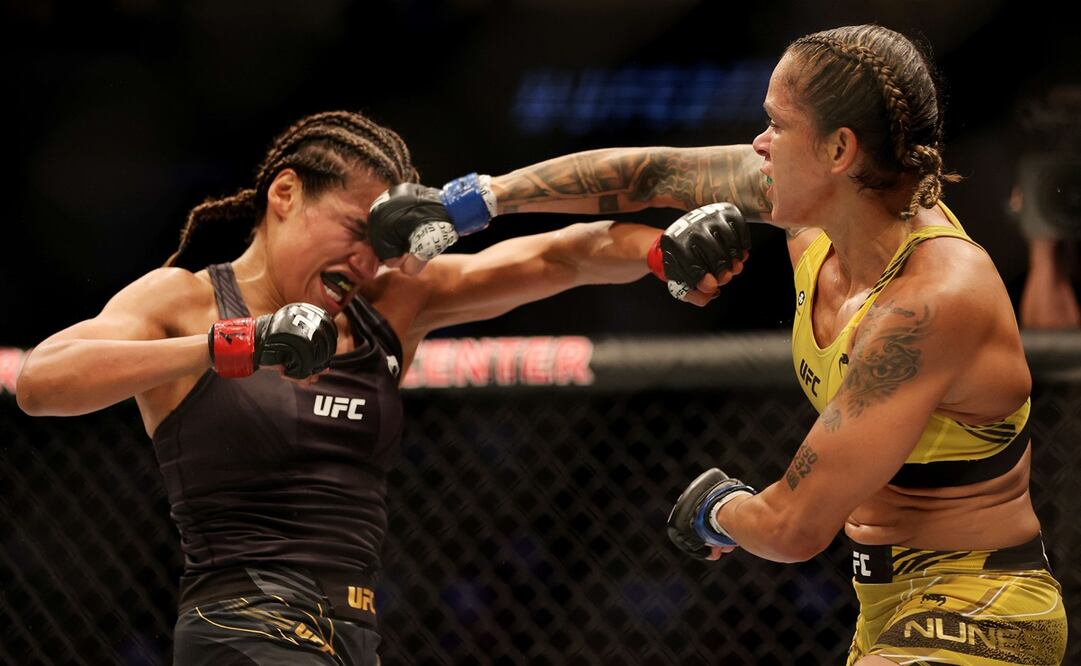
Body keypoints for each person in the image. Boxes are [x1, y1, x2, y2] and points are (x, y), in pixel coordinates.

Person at [367, 25, 1068, 665]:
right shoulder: (816, 217)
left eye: (775, 124)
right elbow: (648, 176)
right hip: (883, 609)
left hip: (981, 607)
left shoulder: (930, 298)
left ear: (837, 150)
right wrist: (471, 201)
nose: (758, 143)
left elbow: (792, 527)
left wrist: (715, 508)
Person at [14, 110, 741, 665]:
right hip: (240, 626)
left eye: (384, 243)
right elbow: (42, 383)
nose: (366, 260)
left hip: (354, 632)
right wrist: (227, 346)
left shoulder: (393, 304)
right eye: (353, 230)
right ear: (286, 194)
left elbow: (562, 256)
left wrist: (657, 248)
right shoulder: (187, 300)